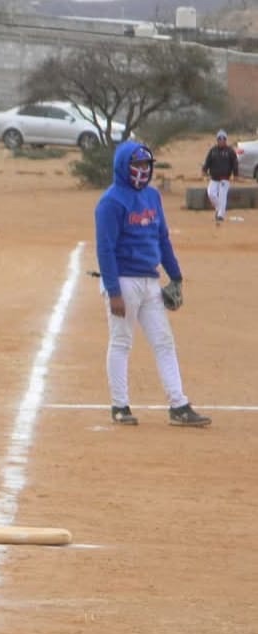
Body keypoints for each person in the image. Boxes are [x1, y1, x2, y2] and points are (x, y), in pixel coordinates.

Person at [95, 140, 210, 428]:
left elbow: (162, 238)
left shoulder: (152, 197)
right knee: (122, 341)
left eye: (147, 164)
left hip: (150, 280)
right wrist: (113, 291)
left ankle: (178, 405)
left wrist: (176, 275)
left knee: (163, 341)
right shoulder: (111, 202)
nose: (143, 170)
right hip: (124, 281)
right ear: (124, 166)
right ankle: (120, 405)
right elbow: (105, 249)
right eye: (137, 164)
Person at [201, 129, 238, 223]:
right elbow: (207, 161)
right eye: (219, 139)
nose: (221, 140)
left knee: (222, 196)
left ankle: (220, 215)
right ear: (217, 140)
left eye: (223, 139)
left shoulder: (230, 151)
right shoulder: (213, 151)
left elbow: (235, 163)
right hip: (214, 178)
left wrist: (236, 174)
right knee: (211, 193)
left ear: (226, 140)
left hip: (224, 178)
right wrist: (204, 170)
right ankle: (218, 208)